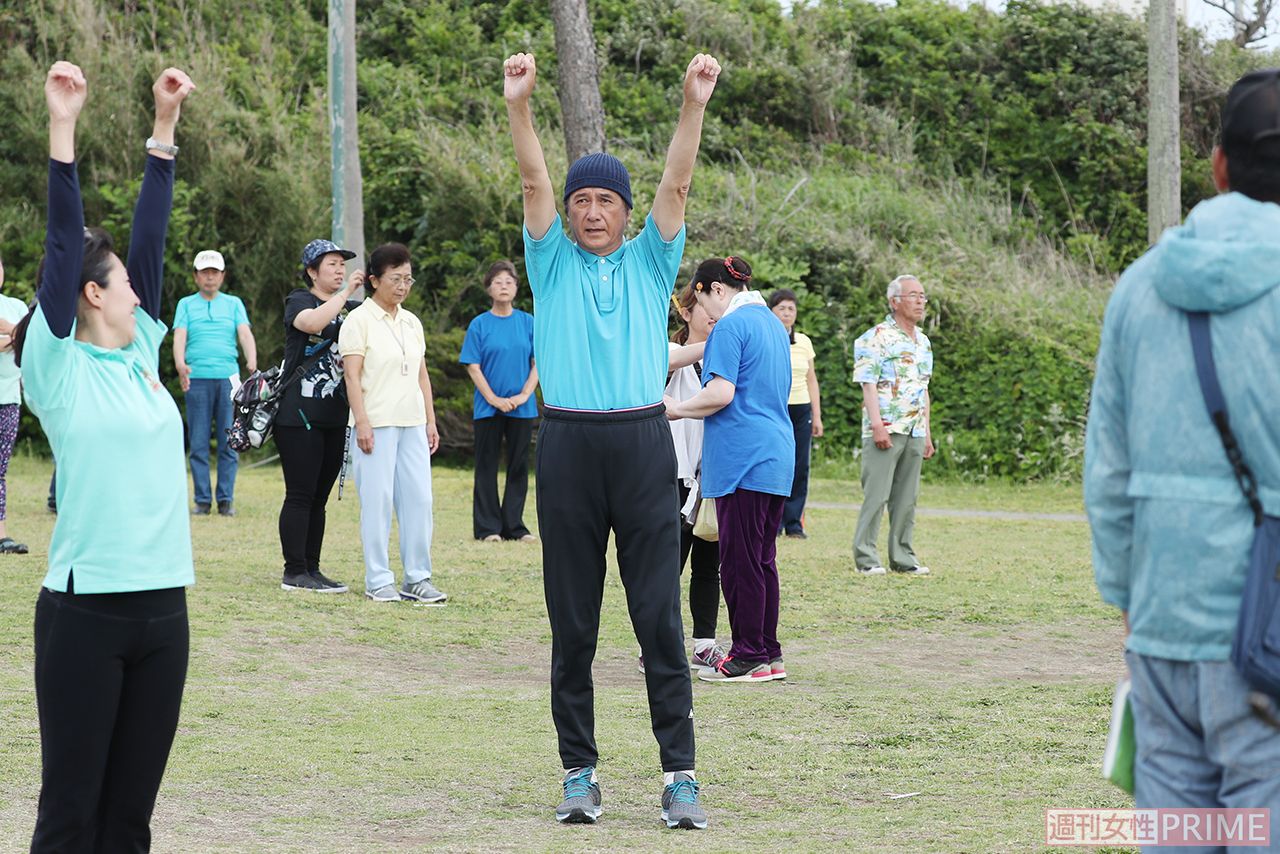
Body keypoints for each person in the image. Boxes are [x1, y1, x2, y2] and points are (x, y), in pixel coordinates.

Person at [504, 49, 719, 830]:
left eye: (606, 201)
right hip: (565, 447)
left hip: (638, 446)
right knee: (575, 621)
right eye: (581, 200)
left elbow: (677, 184)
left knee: (659, 616)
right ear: (566, 212)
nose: (593, 211)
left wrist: (692, 103)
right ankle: (578, 774)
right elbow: (532, 181)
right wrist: (520, 107)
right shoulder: (550, 261)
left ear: (626, 213)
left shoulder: (650, 261)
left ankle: (680, 776)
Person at [1085, 68, 1280, 825]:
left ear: (1220, 165)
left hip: (1163, 625)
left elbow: (1107, 473)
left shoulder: (1139, 287)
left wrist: (1133, 602)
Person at [20, 61, 196, 852]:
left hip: (166, 610)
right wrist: (64, 129)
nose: (137, 290)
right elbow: (65, 243)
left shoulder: (140, 355)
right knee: (70, 818)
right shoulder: (56, 371)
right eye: (121, 283)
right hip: (85, 614)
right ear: (93, 295)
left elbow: (150, 239)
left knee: (129, 821)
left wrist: (164, 129)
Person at [666, 257, 794, 684]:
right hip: (777, 456)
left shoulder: (731, 327)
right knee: (762, 560)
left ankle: (747, 656)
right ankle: (768, 653)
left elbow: (720, 392)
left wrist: (677, 410)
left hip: (743, 459)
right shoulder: (773, 325)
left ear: (714, 289)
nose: (705, 311)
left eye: (702, 298)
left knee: (739, 562)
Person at [339, 243, 447, 604]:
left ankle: (417, 577)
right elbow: (352, 378)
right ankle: (378, 578)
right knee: (378, 501)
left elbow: (422, 376)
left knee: (419, 500)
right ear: (374, 281)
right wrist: (363, 423)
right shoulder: (359, 321)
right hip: (376, 425)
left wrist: (430, 421)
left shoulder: (412, 322)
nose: (403, 286)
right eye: (395, 279)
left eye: (408, 279)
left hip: (413, 423)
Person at [643, 282, 725, 677]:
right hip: (672, 474)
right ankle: (655, 645)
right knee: (668, 565)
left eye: (718, 308)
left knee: (710, 565)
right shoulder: (671, 352)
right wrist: (728, 338)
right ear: (686, 312)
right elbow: (664, 361)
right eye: (705, 307)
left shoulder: (724, 358)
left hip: (712, 475)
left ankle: (705, 645)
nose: (713, 314)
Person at [274, 239, 364, 594]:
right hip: (297, 416)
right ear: (312, 271)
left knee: (319, 498)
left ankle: (312, 568)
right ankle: (293, 570)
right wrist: (344, 297)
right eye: (331, 264)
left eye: (342, 264)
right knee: (300, 493)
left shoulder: (355, 309)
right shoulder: (299, 299)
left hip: (333, 414)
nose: (340, 270)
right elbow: (312, 323)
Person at [850, 275, 935, 576]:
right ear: (894, 301)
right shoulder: (875, 337)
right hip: (885, 426)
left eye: (923, 296)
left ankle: (903, 556)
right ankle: (866, 558)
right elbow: (868, 384)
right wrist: (877, 425)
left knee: (907, 499)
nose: (920, 301)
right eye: (914, 295)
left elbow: (923, 388)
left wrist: (926, 432)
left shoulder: (922, 341)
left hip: (914, 428)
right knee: (877, 495)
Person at [173, 248, 257, 516]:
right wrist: (179, 364)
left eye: (214, 273)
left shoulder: (233, 303)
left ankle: (225, 500)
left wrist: (252, 360)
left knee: (229, 440)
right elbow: (180, 336)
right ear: (196, 276)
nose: (209, 277)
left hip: (227, 379)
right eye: (204, 273)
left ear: (222, 276)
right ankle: (201, 500)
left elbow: (244, 333)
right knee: (197, 442)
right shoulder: (186, 304)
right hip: (196, 378)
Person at [459, 260, 538, 543]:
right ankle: (488, 528)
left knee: (518, 466)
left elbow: (537, 362)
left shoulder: (528, 322)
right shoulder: (479, 325)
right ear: (489, 289)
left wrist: (524, 395)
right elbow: (473, 365)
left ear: (516, 288)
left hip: (522, 407)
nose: (503, 286)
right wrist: (493, 398)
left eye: (509, 281)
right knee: (486, 466)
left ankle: (514, 527)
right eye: (497, 282)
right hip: (487, 408)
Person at [768, 289, 823, 539]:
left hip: (801, 408)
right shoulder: (766, 337)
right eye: (782, 308)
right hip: (774, 408)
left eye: (791, 309)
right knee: (775, 463)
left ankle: (793, 523)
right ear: (771, 312)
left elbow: (812, 379)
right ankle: (773, 521)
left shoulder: (804, 342)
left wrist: (817, 415)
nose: (787, 313)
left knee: (800, 465)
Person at [0, 251, 30, 553]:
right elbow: (19, 338)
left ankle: (1, 535)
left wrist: (9, 329)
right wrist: (15, 334)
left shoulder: (15, 306)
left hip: (8, 398)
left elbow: (30, 340)